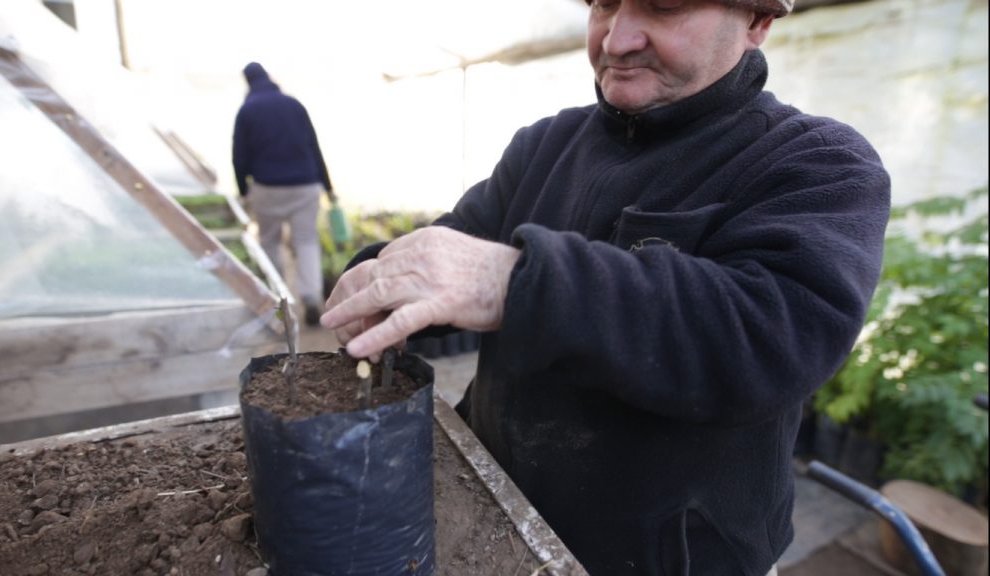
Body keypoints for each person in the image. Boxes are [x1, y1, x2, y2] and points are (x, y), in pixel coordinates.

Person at [322, 0, 891, 572]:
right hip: (495, 508)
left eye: (662, 8)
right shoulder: (545, 144)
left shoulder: (818, 164)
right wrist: (389, 275)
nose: (616, 40)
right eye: (603, 5)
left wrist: (514, 282)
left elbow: (772, 334)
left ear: (757, 21)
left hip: (675, 554)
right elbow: (462, 239)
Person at [233, 61, 334, 325]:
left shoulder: (247, 110)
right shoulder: (293, 104)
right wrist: (328, 186)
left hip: (268, 188)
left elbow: (239, 155)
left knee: (270, 242)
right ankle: (311, 296)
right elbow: (314, 145)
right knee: (306, 241)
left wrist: (244, 190)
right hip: (305, 185)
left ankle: (280, 301)